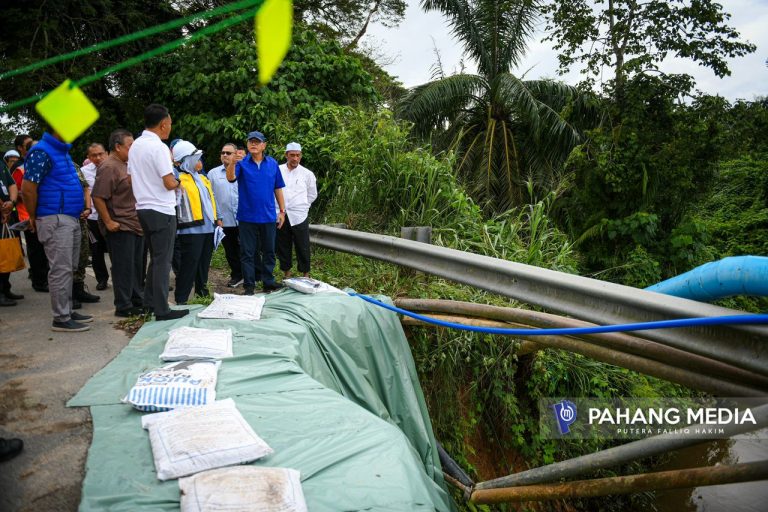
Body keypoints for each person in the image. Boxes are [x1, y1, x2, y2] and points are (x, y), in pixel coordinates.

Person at [21, 131, 93, 331]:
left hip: (69, 216)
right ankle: (61, 318)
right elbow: (28, 188)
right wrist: (34, 216)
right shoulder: (41, 151)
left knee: (69, 267)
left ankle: (67, 310)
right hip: (55, 217)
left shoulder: (61, 151)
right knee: (60, 269)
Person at [128, 104, 188, 321]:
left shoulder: (135, 145)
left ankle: (150, 302)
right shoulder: (160, 148)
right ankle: (162, 309)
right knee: (163, 259)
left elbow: (131, 177)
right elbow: (168, 181)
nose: (170, 128)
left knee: (156, 257)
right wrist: (179, 181)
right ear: (163, 124)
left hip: (143, 207)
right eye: (170, 124)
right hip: (161, 208)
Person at [92, 130, 145, 317]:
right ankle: (123, 306)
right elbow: (97, 197)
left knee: (136, 266)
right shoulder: (109, 167)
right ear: (117, 146)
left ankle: (137, 299)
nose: (133, 149)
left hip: (135, 223)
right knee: (123, 267)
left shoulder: (126, 164)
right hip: (120, 225)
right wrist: (108, 221)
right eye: (130, 146)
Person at [226, 130, 286, 295]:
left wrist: (282, 211)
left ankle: (268, 282)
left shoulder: (272, 163)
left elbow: (278, 188)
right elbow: (230, 179)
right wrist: (232, 162)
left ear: (263, 145)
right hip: (247, 216)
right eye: (251, 141)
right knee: (247, 253)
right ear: (247, 144)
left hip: (268, 216)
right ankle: (249, 286)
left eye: (257, 142)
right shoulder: (242, 163)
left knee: (269, 251)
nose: (253, 144)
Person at [172, 140, 220, 304]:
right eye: (194, 158)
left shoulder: (202, 178)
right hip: (190, 229)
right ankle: (181, 299)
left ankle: (202, 293)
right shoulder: (178, 178)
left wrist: (216, 221)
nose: (198, 160)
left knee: (203, 264)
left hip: (208, 228)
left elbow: (210, 200)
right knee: (188, 265)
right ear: (185, 159)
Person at [9, 135, 49, 292]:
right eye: (28, 145)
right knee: (36, 250)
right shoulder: (20, 169)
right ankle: (39, 281)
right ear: (21, 148)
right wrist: (30, 193)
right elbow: (17, 192)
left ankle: (43, 278)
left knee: (45, 249)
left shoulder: (40, 163)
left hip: (44, 213)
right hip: (28, 215)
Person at [277, 142, 317, 278]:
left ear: (301, 156)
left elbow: (312, 194)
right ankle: (286, 274)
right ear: (286, 155)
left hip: (299, 215)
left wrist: (303, 206)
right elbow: (273, 191)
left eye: (297, 155)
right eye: (292, 155)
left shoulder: (307, 174)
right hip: (281, 214)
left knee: (303, 245)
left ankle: (306, 274)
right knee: (283, 245)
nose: (295, 158)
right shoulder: (278, 170)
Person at [208, 142, 242, 287]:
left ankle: (251, 274)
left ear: (236, 155)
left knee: (246, 248)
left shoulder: (243, 170)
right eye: (223, 153)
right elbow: (210, 197)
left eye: (228, 153)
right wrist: (217, 217)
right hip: (225, 219)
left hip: (243, 218)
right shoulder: (213, 174)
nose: (225, 155)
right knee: (230, 250)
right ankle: (237, 275)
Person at [81, 143, 110, 290]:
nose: (98, 158)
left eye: (100, 154)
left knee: (116, 248)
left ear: (107, 153)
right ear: (88, 157)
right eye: (94, 155)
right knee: (97, 249)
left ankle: (121, 277)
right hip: (93, 217)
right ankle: (102, 279)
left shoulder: (115, 168)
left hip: (112, 216)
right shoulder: (84, 172)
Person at [1, 163, 23, 306]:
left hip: (7, 213)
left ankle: (5, 287)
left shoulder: (1, 163)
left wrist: (12, 202)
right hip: (3, 211)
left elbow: (12, 184)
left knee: (6, 251)